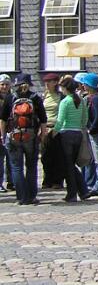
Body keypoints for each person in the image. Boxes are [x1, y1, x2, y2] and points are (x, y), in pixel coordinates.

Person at [0, 74, 47, 205]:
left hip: (14, 136)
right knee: (31, 167)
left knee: (16, 168)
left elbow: (3, 119)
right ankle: (32, 196)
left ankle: (21, 198)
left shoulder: (11, 97)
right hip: (31, 137)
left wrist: (3, 136)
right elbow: (43, 120)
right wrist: (42, 136)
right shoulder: (35, 98)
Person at [52, 76, 89, 203]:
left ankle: (72, 193)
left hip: (66, 134)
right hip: (78, 133)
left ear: (65, 88)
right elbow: (85, 118)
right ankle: (83, 191)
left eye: (61, 87)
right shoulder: (81, 101)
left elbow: (60, 120)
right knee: (71, 164)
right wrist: (80, 127)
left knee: (67, 165)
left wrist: (53, 133)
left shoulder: (65, 102)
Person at [40, 72, 66, 190]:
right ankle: (47, 179)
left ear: (55, 83)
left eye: (49, 82)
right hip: (45, 128)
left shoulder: (61, 96)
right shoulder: (44, 96)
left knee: (58, 155)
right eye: (45, 82)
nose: (46, 84)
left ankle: (57, 180)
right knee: (45, 156)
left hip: (57, 128)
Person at [0, 73, 13, 192]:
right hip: (0, 131)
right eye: (2, 84)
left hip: (10, 131)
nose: (4, 87)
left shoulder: (12, 98)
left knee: (11, 159)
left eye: (6, 84)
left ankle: (12, 182)